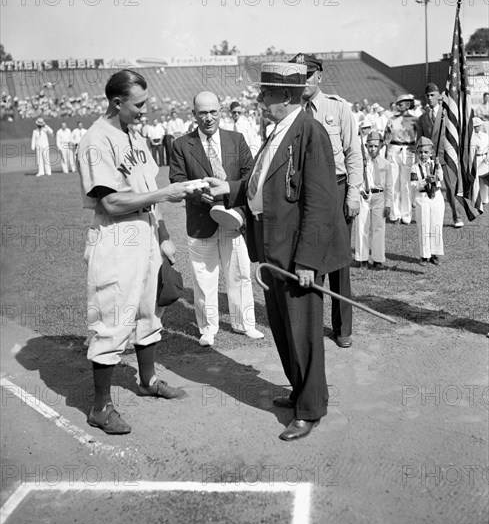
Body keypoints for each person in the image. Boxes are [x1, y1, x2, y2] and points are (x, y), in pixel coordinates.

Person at [204, 62, 351, 441]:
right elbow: (261, 184)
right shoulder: (280, 130)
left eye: (265, 93)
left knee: (301, 332)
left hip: (294, 255)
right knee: (284, 331)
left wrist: (307, 262)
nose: (259, 99)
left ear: (286, 97)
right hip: (270, 247)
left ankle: (310, 409)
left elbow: (321, 203)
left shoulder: (310, 132)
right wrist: (229, 189)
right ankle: (300, 391)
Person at [77, 69, 194, 435]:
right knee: (114, 317)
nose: (146, 110)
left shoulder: (136, 137)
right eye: (139, 104)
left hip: (144, 232)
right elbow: (111, 202)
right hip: (116, 237)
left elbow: (147, 189)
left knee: (148, 311)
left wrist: (163, 235)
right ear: (117, 102)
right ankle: (100, 407)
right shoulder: (97, 140)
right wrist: (163, 196)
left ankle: (148, 380)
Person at [169, 91, 264, 347]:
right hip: (201, 222)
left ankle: (245, 324)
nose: (208, 118)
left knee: (240, 273)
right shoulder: (181, 145)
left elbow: (250, 176)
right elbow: (176, 181)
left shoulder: (236, 139)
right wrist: (202, 196)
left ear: (220, 112)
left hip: (233, 219)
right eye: (202, 113)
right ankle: (208, 328)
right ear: (194, 115)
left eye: (213, 112)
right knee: (203, 278)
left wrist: (228, 190)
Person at [289, 52, 362, 349]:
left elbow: (353, 153)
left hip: (337, 189)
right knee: (309, 259)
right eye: (297, 75)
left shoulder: (338, 107)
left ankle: (343, 328)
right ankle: (310, 326)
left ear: (319, 75)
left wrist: (354, 193)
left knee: (340, 263)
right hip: (304, 195)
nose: (303, 80)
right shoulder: (291, 110)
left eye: (307, 74)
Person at [417, 83, 464, 228]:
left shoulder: (447, 114)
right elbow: (420, 139)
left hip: (445, 156)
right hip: (429, 158)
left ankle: (457, 217)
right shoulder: (422, 118)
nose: (430, 98)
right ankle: (431, 217)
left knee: (451, 187)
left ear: (439, 96)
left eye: (432, 95)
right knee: (429, 187)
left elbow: (455, 135)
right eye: (428, 96)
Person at [355, 130, 392, 269]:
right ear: (366, 146)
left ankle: (377, 259)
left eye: (376, 146)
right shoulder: (362, 162)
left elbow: (389, 186)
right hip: (365, 196)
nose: (373, 149)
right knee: (362, 226)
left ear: (381, 146)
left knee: (378, 228)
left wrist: (388, 204)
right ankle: (362, 258)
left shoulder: (386, 164)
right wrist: (360, 191)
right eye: (370, 146)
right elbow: (356, 179)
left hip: (379, 197)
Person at [411, 137, 444, 266]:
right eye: (421, 152)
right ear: (417, 153)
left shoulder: (435, 164)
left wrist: (437, 169)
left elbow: (440, 177)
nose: (423, 155)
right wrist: (425, 181)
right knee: (424, 225)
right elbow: (414, 185)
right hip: (422, 198)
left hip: (436, 196)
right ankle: (424, 255)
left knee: (436, 225)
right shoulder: (414, 168)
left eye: (426, 152)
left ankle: (435, 253)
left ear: (431, 153)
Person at [384, 94, 417, 225]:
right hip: (393, 150)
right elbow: (386, 137)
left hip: (408, 151)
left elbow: (418, 137)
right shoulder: (391, 119)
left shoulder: (415, 120)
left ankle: (406, 216)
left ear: (408, 104)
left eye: (401, 103)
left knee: (406, 185)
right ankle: (394, 215)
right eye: (398, 104)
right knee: (393, 184)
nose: (399, 106)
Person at [472, 117, 489, 205]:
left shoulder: (485, 136)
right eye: (475, 126)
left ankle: (484, 198)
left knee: (485, 180)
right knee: (476, 180)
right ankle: (476, 198)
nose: (477, 128)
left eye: (478, 126)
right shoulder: (470, 138)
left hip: (485, 158)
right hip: (476, 159)